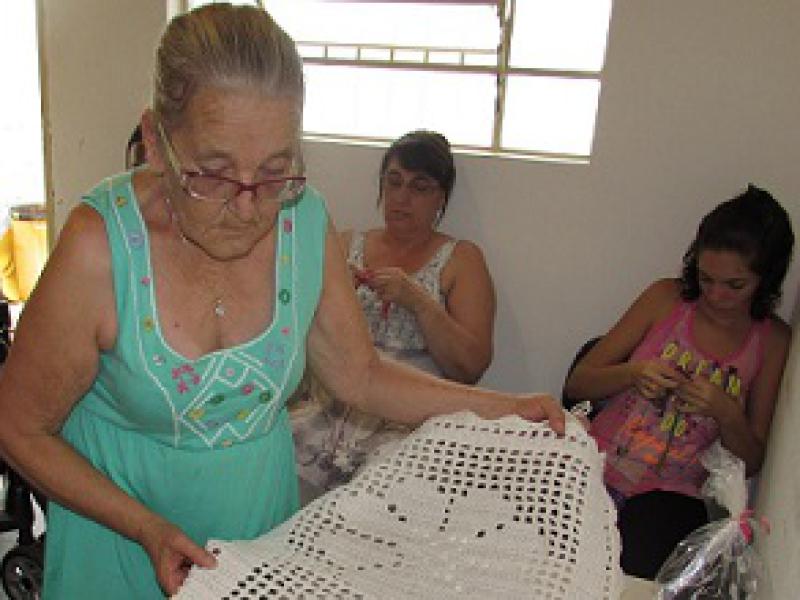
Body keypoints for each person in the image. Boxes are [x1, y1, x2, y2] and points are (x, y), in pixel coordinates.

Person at [0, 4, 563, 598]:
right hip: (119, 542)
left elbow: (361, 375)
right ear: (157, 144)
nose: (248, 208)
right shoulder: (101, 247)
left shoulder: (305, 222)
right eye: (213, 173)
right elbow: (18, 427)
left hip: (256, 535)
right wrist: (146, 528)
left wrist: (507, 408)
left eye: (274, 172)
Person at [564, 184, 794, 579]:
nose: (716, 295)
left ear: (765, 279)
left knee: (632, 572)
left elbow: (753, 459)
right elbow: (578, 384)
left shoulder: (771, 341)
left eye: (735, 285)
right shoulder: (665, 298)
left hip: (672, 495)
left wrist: (725, 411)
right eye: (706, 279)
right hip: (595, 460)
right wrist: (633, 373)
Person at [291, 131, 496, 501]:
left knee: (387, 488)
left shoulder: (461, 259)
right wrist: (331, 296)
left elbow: (471, 368)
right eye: (394, 182)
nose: (402, 198)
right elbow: (296, 333)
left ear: (441, 197)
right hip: (333, 404)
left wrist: (418, 302)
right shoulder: (345, 244)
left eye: (420, 187)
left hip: (407, 415)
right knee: (283, 455)